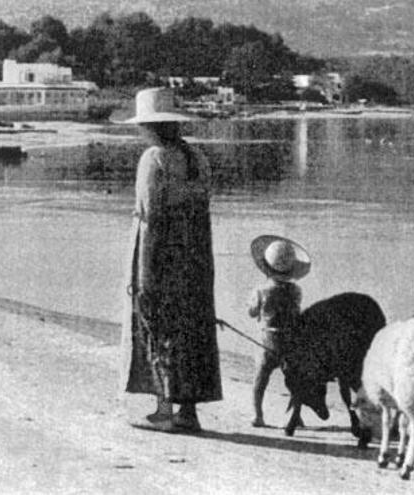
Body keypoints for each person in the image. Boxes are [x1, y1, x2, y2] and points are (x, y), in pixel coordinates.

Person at [119, 87, 222, 433]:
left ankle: (164, 408)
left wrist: (143, 273)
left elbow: (150, 217)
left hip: (162, 254)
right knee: (192, 329)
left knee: (157, 325)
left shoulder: (154, 159)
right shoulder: (197, 159)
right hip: (195, 256)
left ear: (150, 127)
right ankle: (188, 411)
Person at [247, 235, 311, 427]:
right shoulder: (296, 291)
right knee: (294, 379)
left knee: (260, 379)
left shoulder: (261, 290)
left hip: (268, 340)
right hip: (290, 340)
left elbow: (252, 312)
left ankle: (258, 415)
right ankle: (296, 415)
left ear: (266, 266)